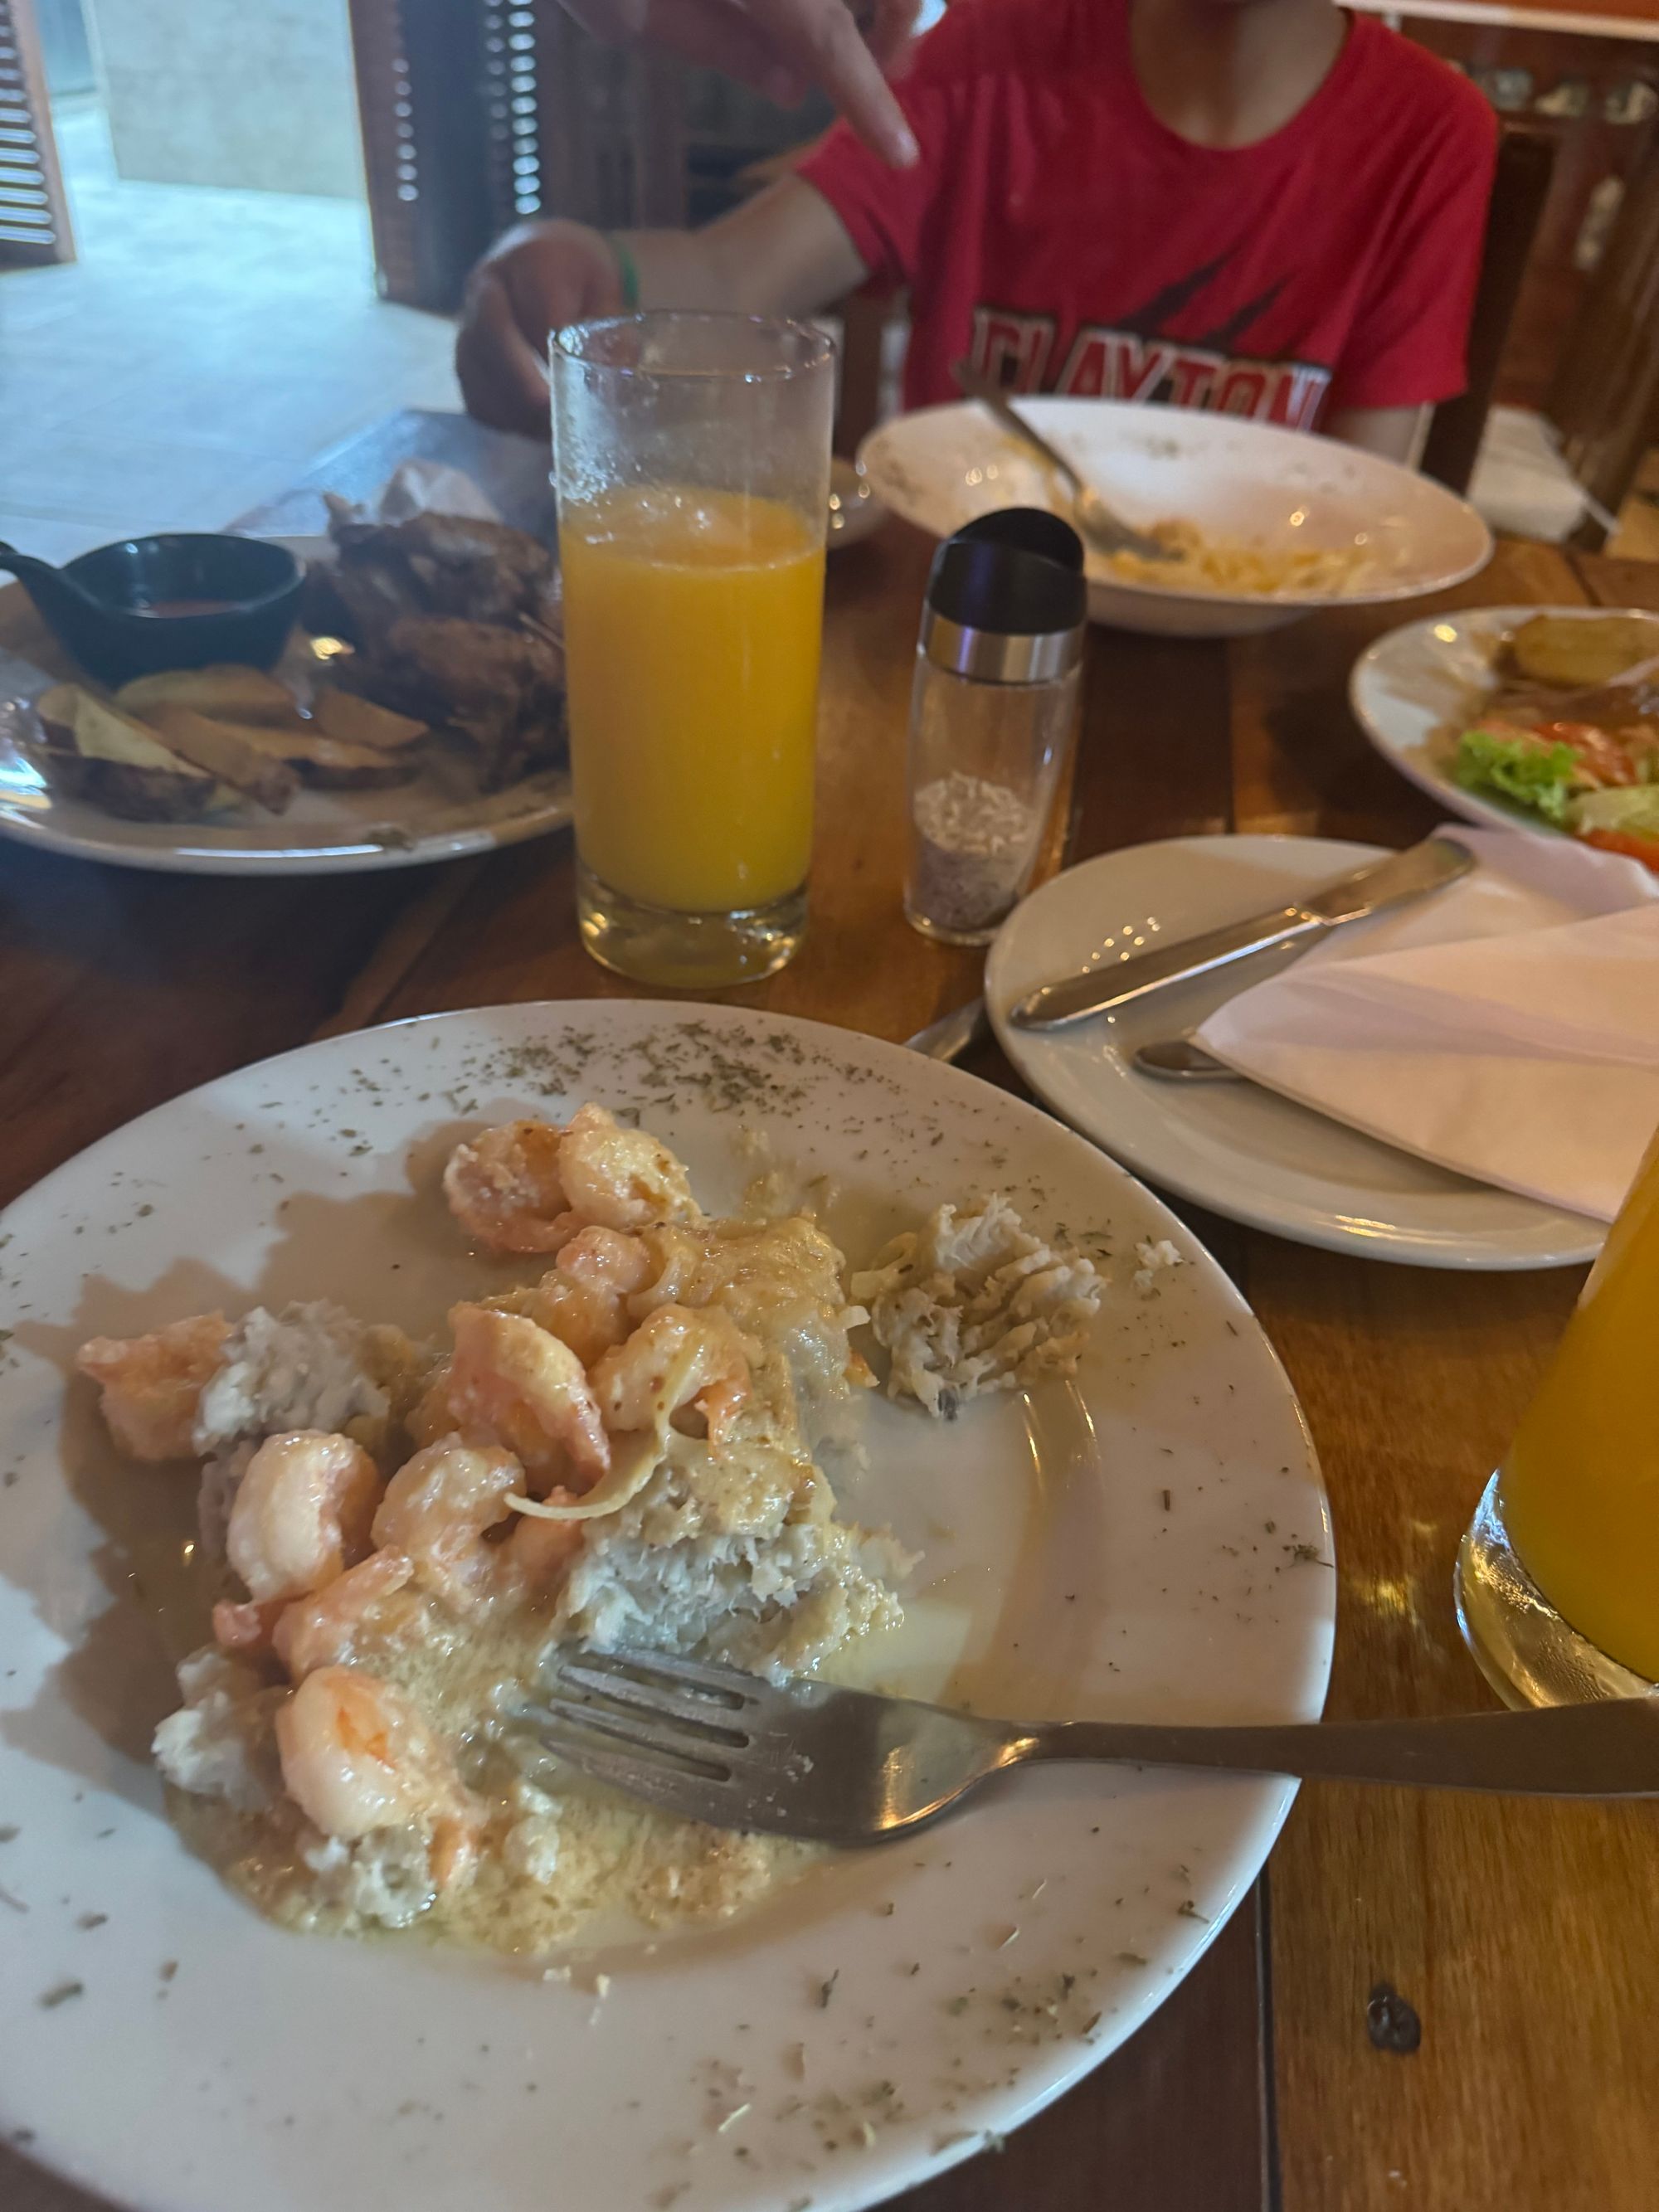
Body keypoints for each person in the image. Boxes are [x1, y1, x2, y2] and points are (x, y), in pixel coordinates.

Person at [457, 0, 1497, 465]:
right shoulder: (984, 53)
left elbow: (1365, 502)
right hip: (957, 630)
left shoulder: (1432, 133)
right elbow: (730, 275)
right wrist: (573, 264)